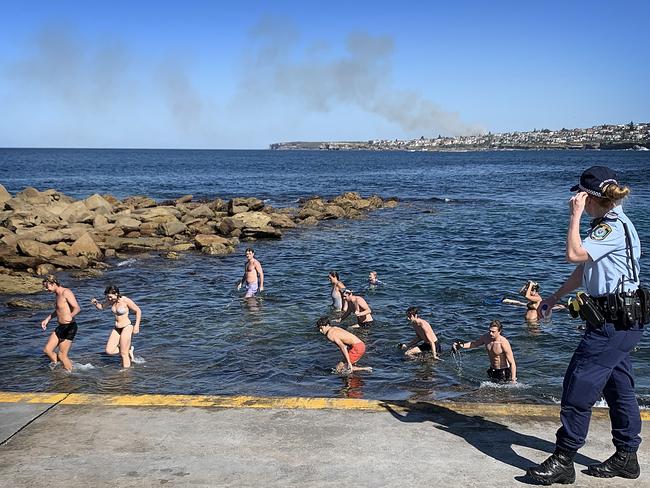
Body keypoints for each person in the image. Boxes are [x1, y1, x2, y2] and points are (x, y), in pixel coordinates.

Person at [526, 166, 645, 484]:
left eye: (580, 197)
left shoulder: (610, 228)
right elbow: (585, 269)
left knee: (578, 385)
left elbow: (574, 254)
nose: (578, 201)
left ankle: (563, 460)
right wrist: (553, 297)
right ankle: (626, 457)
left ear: (590, 198)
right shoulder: (611, 225)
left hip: (612, 323)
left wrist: (574, 215)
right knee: (619, 387)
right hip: (622, 321)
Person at [91, 285, 142, 368]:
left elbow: (138, 310)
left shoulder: (125, 300)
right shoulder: (111, 301)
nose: (109, 299)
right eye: (107, 297)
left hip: (127, 327)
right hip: (117, 328)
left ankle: (126, 372)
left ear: (117, 294)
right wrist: (96, 303)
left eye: (110, 297)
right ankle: (128, 349)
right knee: (109, 351)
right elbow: (101, 307)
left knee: (123, 354)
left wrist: (137, 326)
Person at [452, 320, 517, 384]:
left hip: (503, 372)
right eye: (490, 331)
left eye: (493, 332)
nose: (491, 333)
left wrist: (513, 379)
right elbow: (474, 344)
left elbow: (512, 363)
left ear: (499, 331)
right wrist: (461, 345)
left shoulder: (503, 343)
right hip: (492, 369)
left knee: (502, 394)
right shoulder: (486, 337)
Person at [40, 275, 81, 372]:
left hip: (69, 327)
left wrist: (70, 316)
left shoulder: (66, 292)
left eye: (47, 286)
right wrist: (47, 319)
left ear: (53, 284)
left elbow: (77, 308)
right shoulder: (57, 294)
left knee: (62, 355)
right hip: (60, 327)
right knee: (47, 350)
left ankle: (70, 374)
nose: (46, 289)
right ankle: (60, 368)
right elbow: (58, 310)